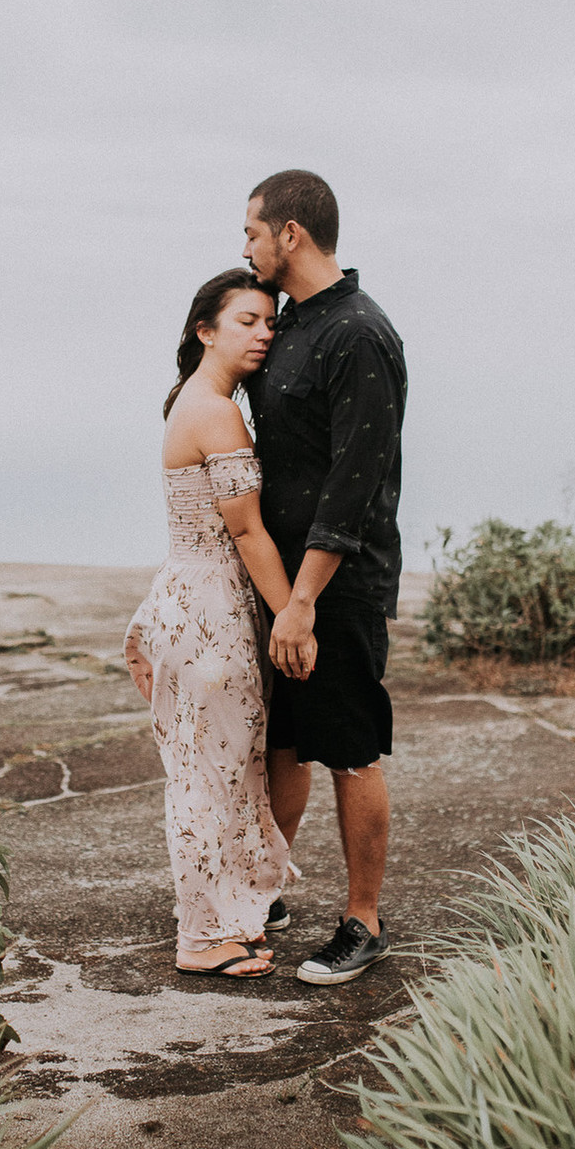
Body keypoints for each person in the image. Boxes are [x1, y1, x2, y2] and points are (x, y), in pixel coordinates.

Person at [124, 269, 312, 979]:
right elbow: (248, 532)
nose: (264, 333)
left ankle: (225, 916)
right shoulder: (216, 411)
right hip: (210, 612)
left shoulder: (193, 400)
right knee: (209, 776)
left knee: (216, 769)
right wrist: (297, 613)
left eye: (270, 321)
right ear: (206, 329)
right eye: (246, 320)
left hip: (188, 596)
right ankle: (201, 939)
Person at [243, 170, 407, 986]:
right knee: (284, 743)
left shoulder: (359, 335)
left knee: (350, 748)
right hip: (285, 590)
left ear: (291, 234)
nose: (246, 248)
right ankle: (267, 891)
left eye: (252, 233)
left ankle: (363, 920)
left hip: (338, 588)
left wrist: (303, 600)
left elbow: (355, 481)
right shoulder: (292, 326)